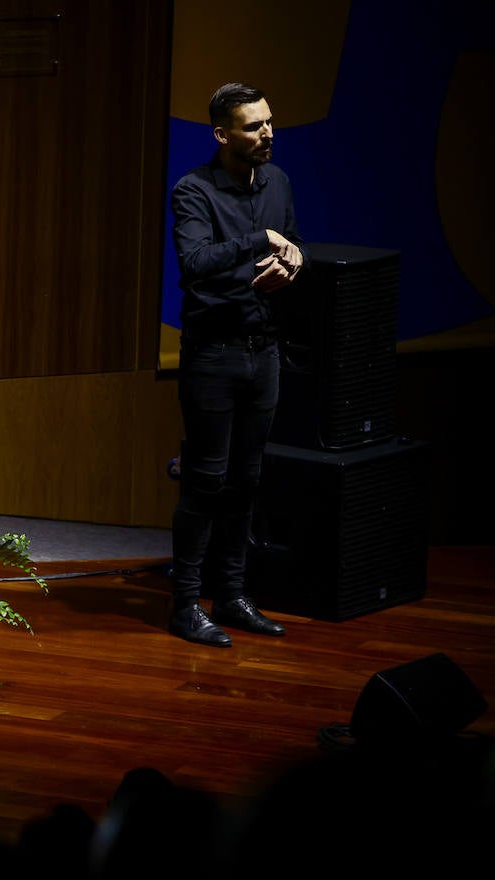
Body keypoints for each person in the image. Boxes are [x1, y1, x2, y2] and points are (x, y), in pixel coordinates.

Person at [167, 83, 306, 647]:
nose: (267, 133)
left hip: (264, 350)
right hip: (213, 356)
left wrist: (295, 259)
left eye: (269, 122)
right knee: (205, 481)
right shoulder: (193, 191)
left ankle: (232, 594)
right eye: (253, 126)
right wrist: (259, 238)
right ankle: (184, 606)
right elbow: (195, 264)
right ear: (223, 134)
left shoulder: (278, 182)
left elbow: (291, 241)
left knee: (247, 481)